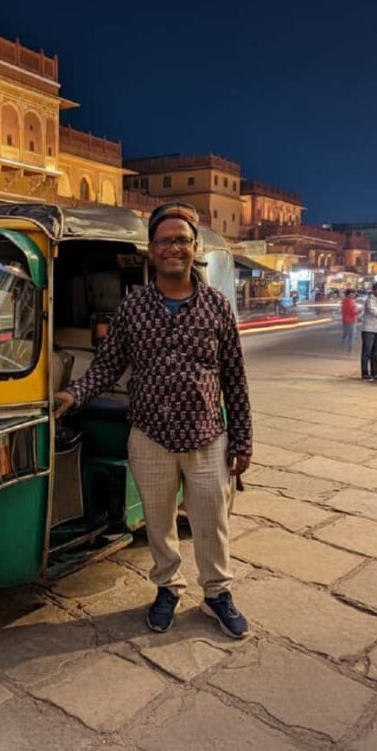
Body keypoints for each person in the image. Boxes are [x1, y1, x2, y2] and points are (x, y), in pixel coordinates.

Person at [54, 201, 253, 639]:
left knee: (210, 523)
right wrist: (75, 393)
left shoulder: (217, 307)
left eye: (181, 240)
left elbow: (235, 378)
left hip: (207, 438)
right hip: (150, 438)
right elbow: (108, 365)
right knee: (159, 524)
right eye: (164, 241)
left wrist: (242, 441)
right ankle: (168, 587)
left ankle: (217, 593)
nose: (173, 249)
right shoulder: (134, 308)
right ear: (151, 250)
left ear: (194, 247)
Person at [341, 289, 358, 354]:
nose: (353, 295)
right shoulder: (350, 301)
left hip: (345, 320)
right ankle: (350, 350)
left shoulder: (344, 301)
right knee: (352, 336)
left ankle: (342, 348)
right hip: (351, 321)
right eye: (352, 293)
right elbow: (353, 311)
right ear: (348, 294)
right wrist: (359, 311)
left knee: (345, 335)